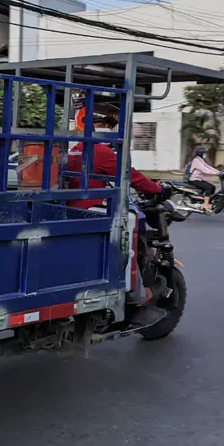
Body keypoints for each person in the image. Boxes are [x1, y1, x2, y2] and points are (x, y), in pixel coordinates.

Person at [65, 105, 166, 307]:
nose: (107, 130)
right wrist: (158, 189)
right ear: (87, 125)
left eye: (108, 126)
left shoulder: (74, 150)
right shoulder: (101, 151)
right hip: (93, 211)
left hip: (73, 209)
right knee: (129, 230)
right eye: (101, 125)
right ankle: (135, 295)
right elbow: (132, 176)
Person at [185, 146, 220, 212]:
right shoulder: (196, 160)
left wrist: (219, 172)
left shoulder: (200, 160)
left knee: (213, 187)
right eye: (204, 153)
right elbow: (204, 169)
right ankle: (205, 205)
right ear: (200, 153)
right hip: (193, 180)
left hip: (198, 179)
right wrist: (215, 174)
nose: (205, 154)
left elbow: (208, 167)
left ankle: (205, 201)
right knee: (208, 188)